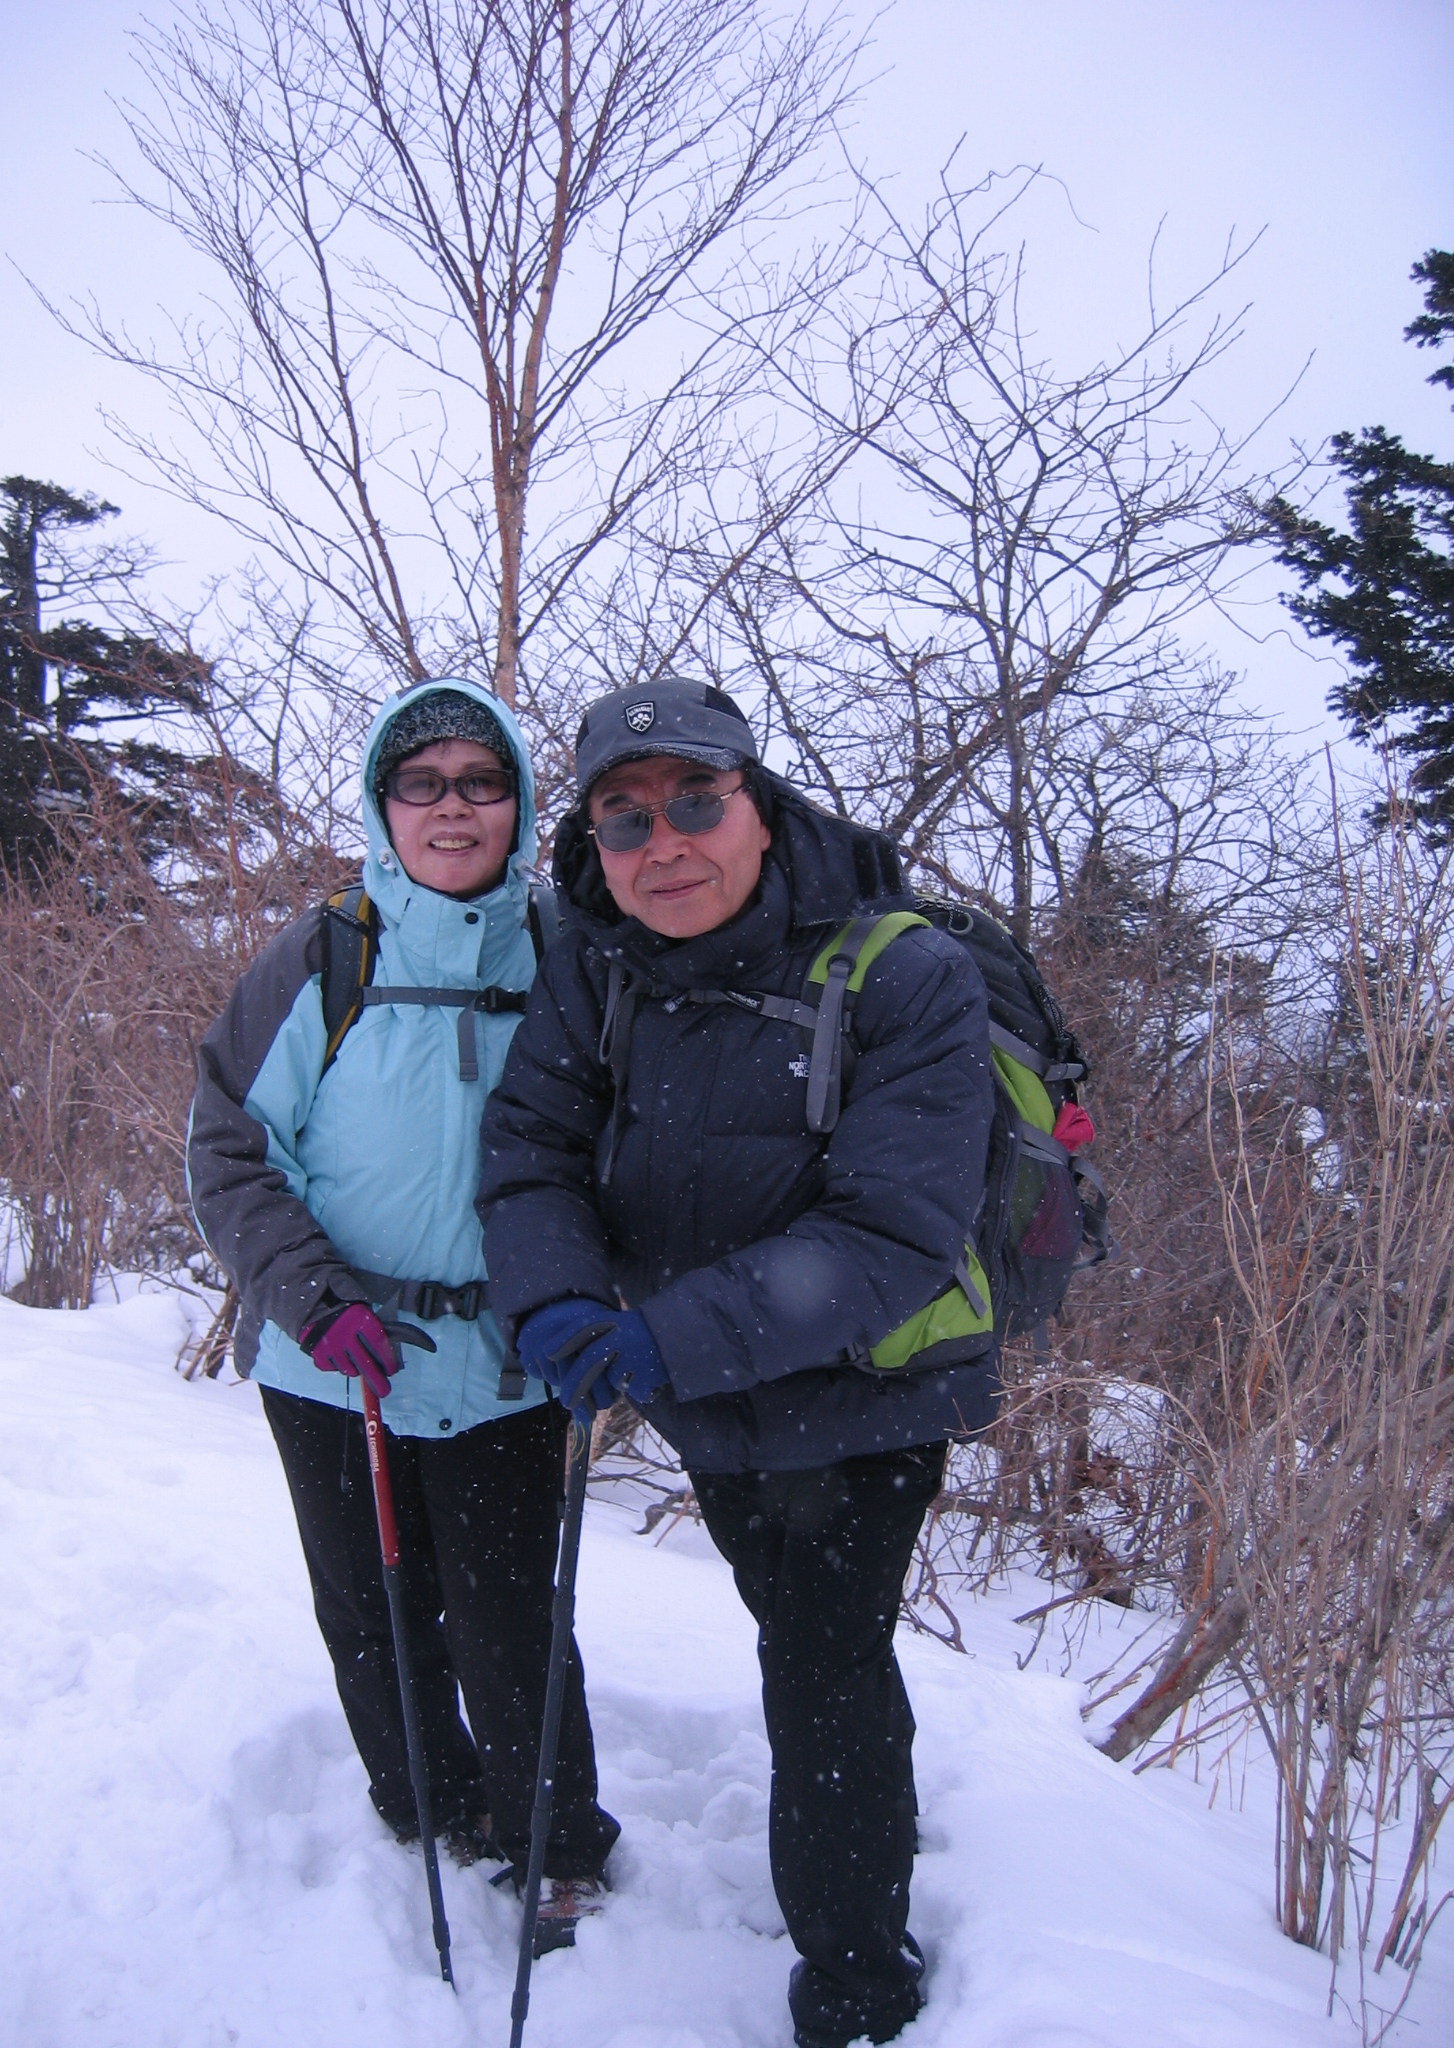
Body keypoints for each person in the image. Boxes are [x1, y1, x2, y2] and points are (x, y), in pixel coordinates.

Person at [475, 674, 997, 2048]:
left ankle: (858, 1978)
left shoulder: (905, 973)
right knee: (795, 1631)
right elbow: (530, 1148)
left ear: (759, 806)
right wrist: (556, 1301)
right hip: (700, 1386)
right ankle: (851, 1852)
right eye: (626, 819)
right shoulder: (598, 965)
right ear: (594, 845)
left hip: (864, 1389)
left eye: (696, 803)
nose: (666, 845)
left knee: (824, 1659)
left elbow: (891, 1232)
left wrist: (660, 1337)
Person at [186, 678, 619, 1947]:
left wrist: (591, 1299)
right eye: (421, 782)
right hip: (335, 1355)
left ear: (519, 803)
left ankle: (551, 1836)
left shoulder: (571, 955)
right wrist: (311, 1297)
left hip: (508, 1359)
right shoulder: (326, 952)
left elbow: (629, 1142)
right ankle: (424, 1801)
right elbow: (230, 1146)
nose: (452, 806)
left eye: (480, 781)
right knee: (371, 1607)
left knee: (510, 1615)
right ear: (384, 805)